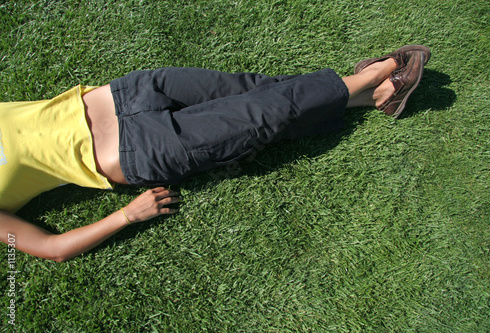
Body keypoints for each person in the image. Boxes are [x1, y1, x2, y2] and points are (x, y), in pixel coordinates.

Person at [0, 45, 431, 262]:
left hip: (129, 92)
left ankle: (367, 98)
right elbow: (49, 247)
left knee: (259, 88)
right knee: (261, 113)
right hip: (137, 149)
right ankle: (380, 73)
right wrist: (126, 216)